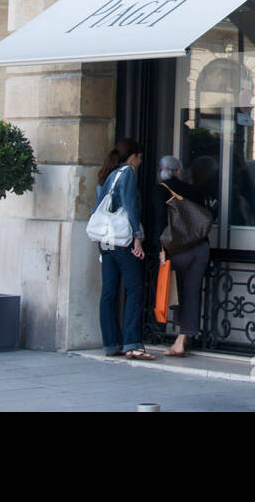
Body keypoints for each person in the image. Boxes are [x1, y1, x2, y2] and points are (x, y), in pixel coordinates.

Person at [96, 138, 156, 360]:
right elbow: (131, 207)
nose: (140, 162)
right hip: (122, 240)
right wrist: (137, 238)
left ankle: (111, 344)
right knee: (135, 289)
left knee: (109, 292)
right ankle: (132, 344)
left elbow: (98, 207)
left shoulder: (107, 174)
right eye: (139, 157)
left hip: (105, 242)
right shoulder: (128, 173)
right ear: (133, 157)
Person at [156, 155, 218, 357]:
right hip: (199, 247)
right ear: (178, 171)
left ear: (161, 171)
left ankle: (177, 336)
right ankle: (183, 338)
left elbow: (158, 223)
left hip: (175, 250)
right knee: (191, 292)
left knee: (178, 292)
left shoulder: (159, 191)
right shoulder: (193, 191)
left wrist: (161, 251)